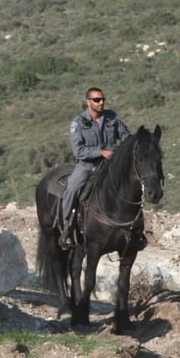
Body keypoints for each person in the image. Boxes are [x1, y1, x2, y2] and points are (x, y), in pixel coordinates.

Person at [59, 87, 130, 249]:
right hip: (87, 166)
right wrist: (101, 152)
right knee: (73, 187)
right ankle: (66, 227)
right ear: (88, 102)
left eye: (103, 99)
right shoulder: (78, 123)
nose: (101, 102)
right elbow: (79, 151)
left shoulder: (113, 118)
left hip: (109, 166)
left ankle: (135, 229)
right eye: (97, 100)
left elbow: (126, 137)